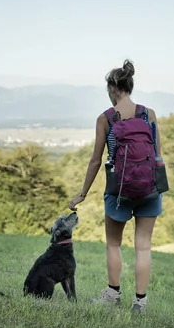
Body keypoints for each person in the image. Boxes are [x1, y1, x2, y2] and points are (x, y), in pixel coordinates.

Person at [68, 59, 163, 313]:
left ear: (113, 88)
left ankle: (113, 294)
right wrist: (158, 187)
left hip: (118, 191)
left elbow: (96, 160)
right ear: (129, 86)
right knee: (143, 245)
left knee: (114, 244)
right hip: (149, 190)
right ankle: (140, 302)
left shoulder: (105, 119)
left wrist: (81, 195)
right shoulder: (148, 114)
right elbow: (157, 155)